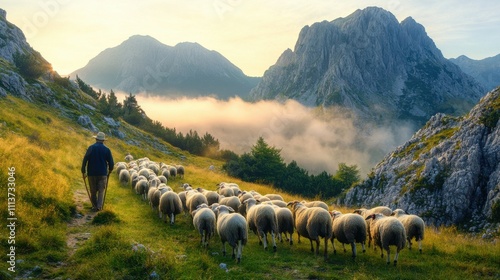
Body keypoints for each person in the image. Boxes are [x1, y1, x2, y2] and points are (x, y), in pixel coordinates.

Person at [81, 131, 114, 211]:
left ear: (96, 139)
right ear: (103, 140)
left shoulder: (91, 148)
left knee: (93, 191)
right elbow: (111, 162)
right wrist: (110, 170)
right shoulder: (107, 150)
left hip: (91, 173)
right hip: (102, 173)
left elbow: (85, 159)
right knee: (101, 191)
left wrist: (83, 171)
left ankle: (94, 206)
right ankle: (99, 207)